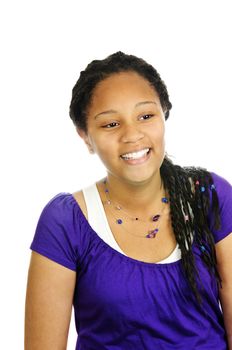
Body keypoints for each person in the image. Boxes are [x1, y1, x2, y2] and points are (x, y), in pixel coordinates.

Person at [24, 51, 232, 350]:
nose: (132, 135)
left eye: (146, 116)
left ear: (164, 115)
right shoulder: (65, 222)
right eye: (110, 124)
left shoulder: (210, 196)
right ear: (85, 136)